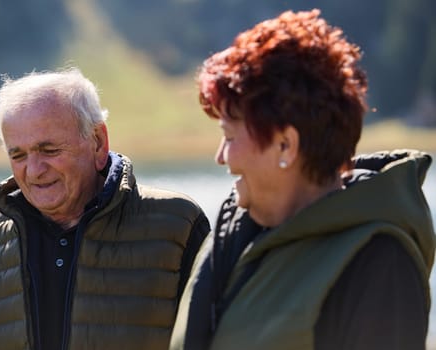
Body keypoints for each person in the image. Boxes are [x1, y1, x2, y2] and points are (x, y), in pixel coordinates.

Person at [170, 9, 435, 350]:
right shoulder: (228, 239)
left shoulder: (378, 266)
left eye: (230, 136)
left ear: (286, 144)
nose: (221, 155)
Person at [0, 68, 210, 350]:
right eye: (18, 155)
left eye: (49, 150)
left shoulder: (177, 224)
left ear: (98, 142)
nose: (33, 171)